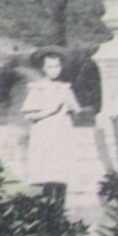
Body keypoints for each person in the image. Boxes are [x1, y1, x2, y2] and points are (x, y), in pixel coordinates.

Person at [21, 48, 82, 206]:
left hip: (61, 133)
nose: (54, 70)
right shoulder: (38, 88)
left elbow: (76, 112)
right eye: (50, 67)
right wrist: (49, 111)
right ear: (43, 68)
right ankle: (48, 213)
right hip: (45, 134)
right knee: (48, 173)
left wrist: (71, 109)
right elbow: (29, 115)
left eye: (57, 66)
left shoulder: (65, 88)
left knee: (61, 173)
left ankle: (60, 209)